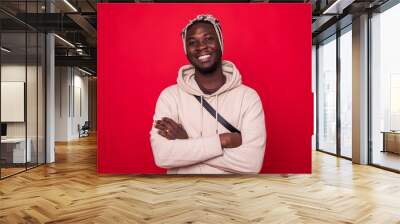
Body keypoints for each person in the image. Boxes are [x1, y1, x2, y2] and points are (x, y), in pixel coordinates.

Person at [150, 14, 266, 174]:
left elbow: (251, 163)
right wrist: (223, 140)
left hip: (231, 196)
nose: (201, 47)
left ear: (220, 42)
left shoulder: (248, 98)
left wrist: (187, 144)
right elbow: (162, 156)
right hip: (181, 194)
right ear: (186, 51)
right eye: (192, 42)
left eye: (208, 38)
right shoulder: (169, 97)